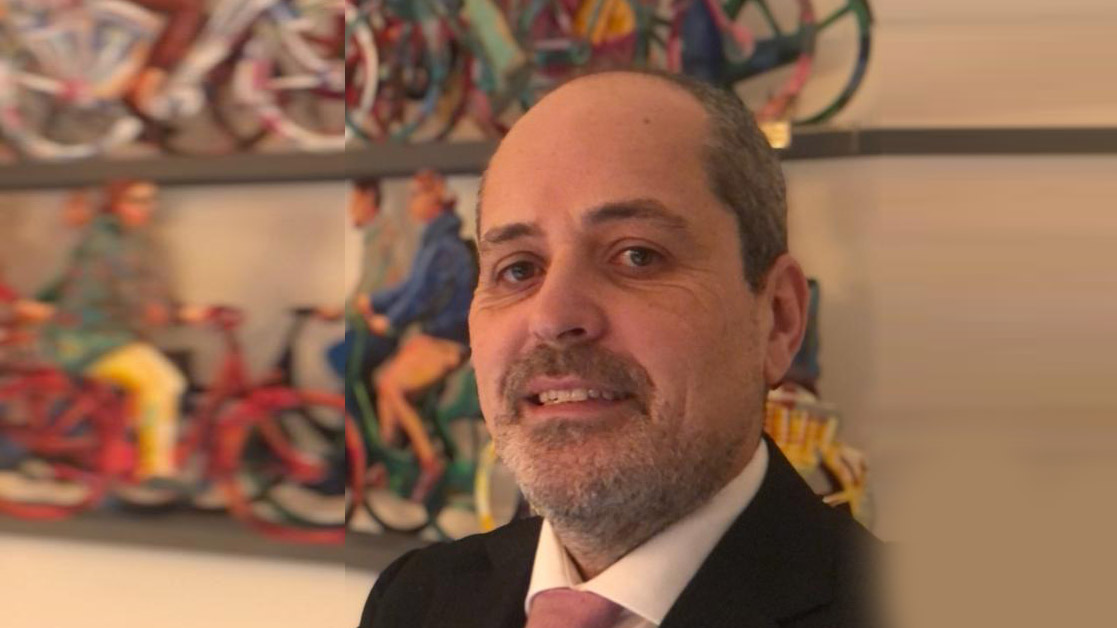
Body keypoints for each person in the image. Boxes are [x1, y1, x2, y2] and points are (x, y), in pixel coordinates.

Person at [361, 69, 882, 628]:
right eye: (518, 269)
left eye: (637, 256)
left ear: (778, 318)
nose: (552, 318)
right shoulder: (414, 600)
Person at [38, 179, 188, 483]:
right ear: (115, 204)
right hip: (88, 340)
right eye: (135, 201)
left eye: (149, 200)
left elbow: (146, 287)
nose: (145, 208)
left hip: (108, 336)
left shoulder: (131, 239)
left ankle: (132, 451)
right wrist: (172, 313)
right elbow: (126, 292)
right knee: (162, 382)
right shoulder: (106, 242)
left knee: (156, 380)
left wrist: (176, 309)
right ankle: (154, 470)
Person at [360, 170, 478, 502]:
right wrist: (374, 301)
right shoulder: (434, 242)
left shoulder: (445, 248)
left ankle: (429, 461)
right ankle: (390, 459)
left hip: (446, 343)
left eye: (417, 195)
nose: (411, 202)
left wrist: (389, 321)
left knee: (390, 385)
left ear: (436, 199)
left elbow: (420, 297)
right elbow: (411, 286)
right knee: (384, 382)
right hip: (433, 338)